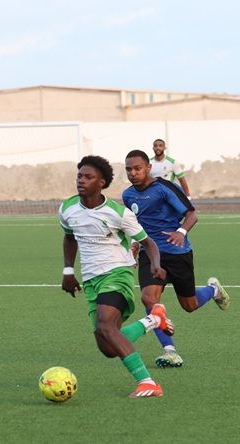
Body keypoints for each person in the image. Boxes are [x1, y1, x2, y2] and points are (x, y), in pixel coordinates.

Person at [59, 155, 175, 398]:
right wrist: (68, 271)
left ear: (101, 182)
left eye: (88, 177)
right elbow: (70, 238)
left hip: (117, 273)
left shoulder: (118, 213)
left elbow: (148, 242)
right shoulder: (67, 208)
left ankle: (148, 383)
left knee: (105, 324)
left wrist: (155, 264)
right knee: (108, 347)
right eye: (79, 175)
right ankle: (154, 320)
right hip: (91, 280)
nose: (81, 180)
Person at [123, 149, 231, 368]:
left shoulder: (165, 188)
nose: (133, 173)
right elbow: (136, 223)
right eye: (128, 169)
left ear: (148, 168)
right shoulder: (128, 195)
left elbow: (192, 214)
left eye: (137, 168)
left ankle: (213, 290)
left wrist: (180, 233)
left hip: (178, 252)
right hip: (150, 253)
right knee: (148, 299)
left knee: (189, 305)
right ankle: (170, 351)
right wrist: (135, 244)